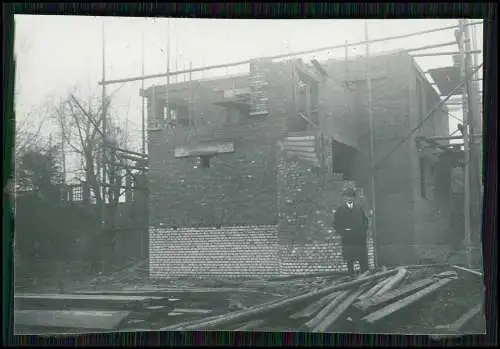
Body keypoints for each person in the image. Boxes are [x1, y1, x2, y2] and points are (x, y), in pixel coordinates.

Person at [333, 187, 370, 275]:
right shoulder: (340, 209)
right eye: (347, 197)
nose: (349, 198)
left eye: (351, 197)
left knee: (362, 259)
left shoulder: (359, 208)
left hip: (359, 238)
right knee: (350, 259)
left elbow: (365, 221)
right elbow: (335, 224)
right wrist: (343, 232)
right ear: (344, 198)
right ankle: (351, 276)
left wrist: (362, 231)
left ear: (354, 198)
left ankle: (365, 275)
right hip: (348, 238)